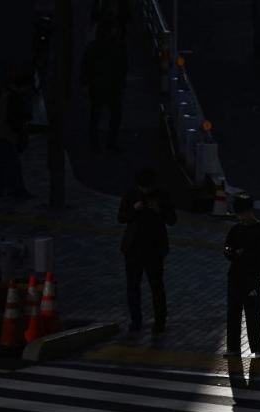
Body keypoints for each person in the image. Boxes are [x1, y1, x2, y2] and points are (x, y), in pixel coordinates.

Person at [118, 167, 176, 332]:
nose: (145, 191)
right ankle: (136, 321)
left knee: (156, 286)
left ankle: (160, 321)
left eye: (147, 188)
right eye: (142, 187)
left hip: (154, 248)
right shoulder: (131, 194)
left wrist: (159, 210)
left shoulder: (162, 195)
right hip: (133, 247)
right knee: (133, 286)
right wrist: (134, 209)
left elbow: (172, 219)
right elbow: (121, 217)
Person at [225, 193, 260, 358]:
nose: (242, 217)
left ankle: (257, 349)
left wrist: (241, 255)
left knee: (253, 316)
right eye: (240, 214)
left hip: (251, 279)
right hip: (236, 278)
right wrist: (232, 252)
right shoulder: (236, 229)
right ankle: (233, 348)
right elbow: (227, 249)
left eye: (244, 213)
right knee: (233, 315)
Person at [0, 70, 34, 200]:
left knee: (0, 164)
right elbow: (14, 119)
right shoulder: (13, 97)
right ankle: (16, 191)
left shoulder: (8, 94)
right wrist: (21, 133)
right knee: (12, 165)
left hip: (1, 133)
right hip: (7, 134)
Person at [81, 22, 127, 152]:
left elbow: (85, 66)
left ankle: (95, 144)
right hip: (112, 87)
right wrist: (122, 84)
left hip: (96, 87)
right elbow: (123, 67)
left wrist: (85, 82)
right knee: (115, 116)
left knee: (95, 115)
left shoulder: (92, 48)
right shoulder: (116, 48)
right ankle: (110, 144)